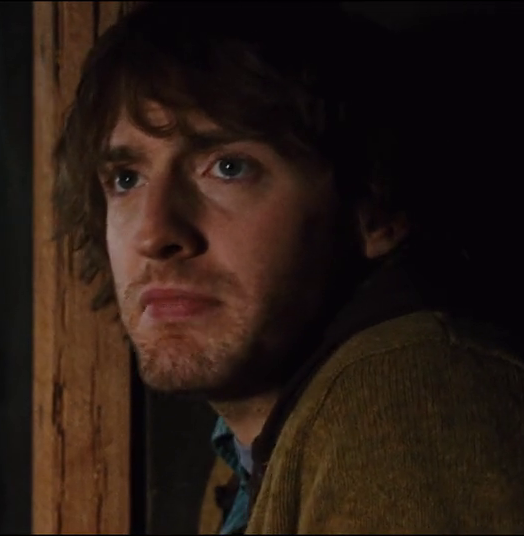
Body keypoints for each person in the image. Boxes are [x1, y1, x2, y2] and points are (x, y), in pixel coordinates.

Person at [52, 2, 524, 533]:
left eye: (228, 167)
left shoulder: (409, 400)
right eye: (126, 179)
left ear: (373, 209)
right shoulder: (266, 447)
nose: (154, 233)